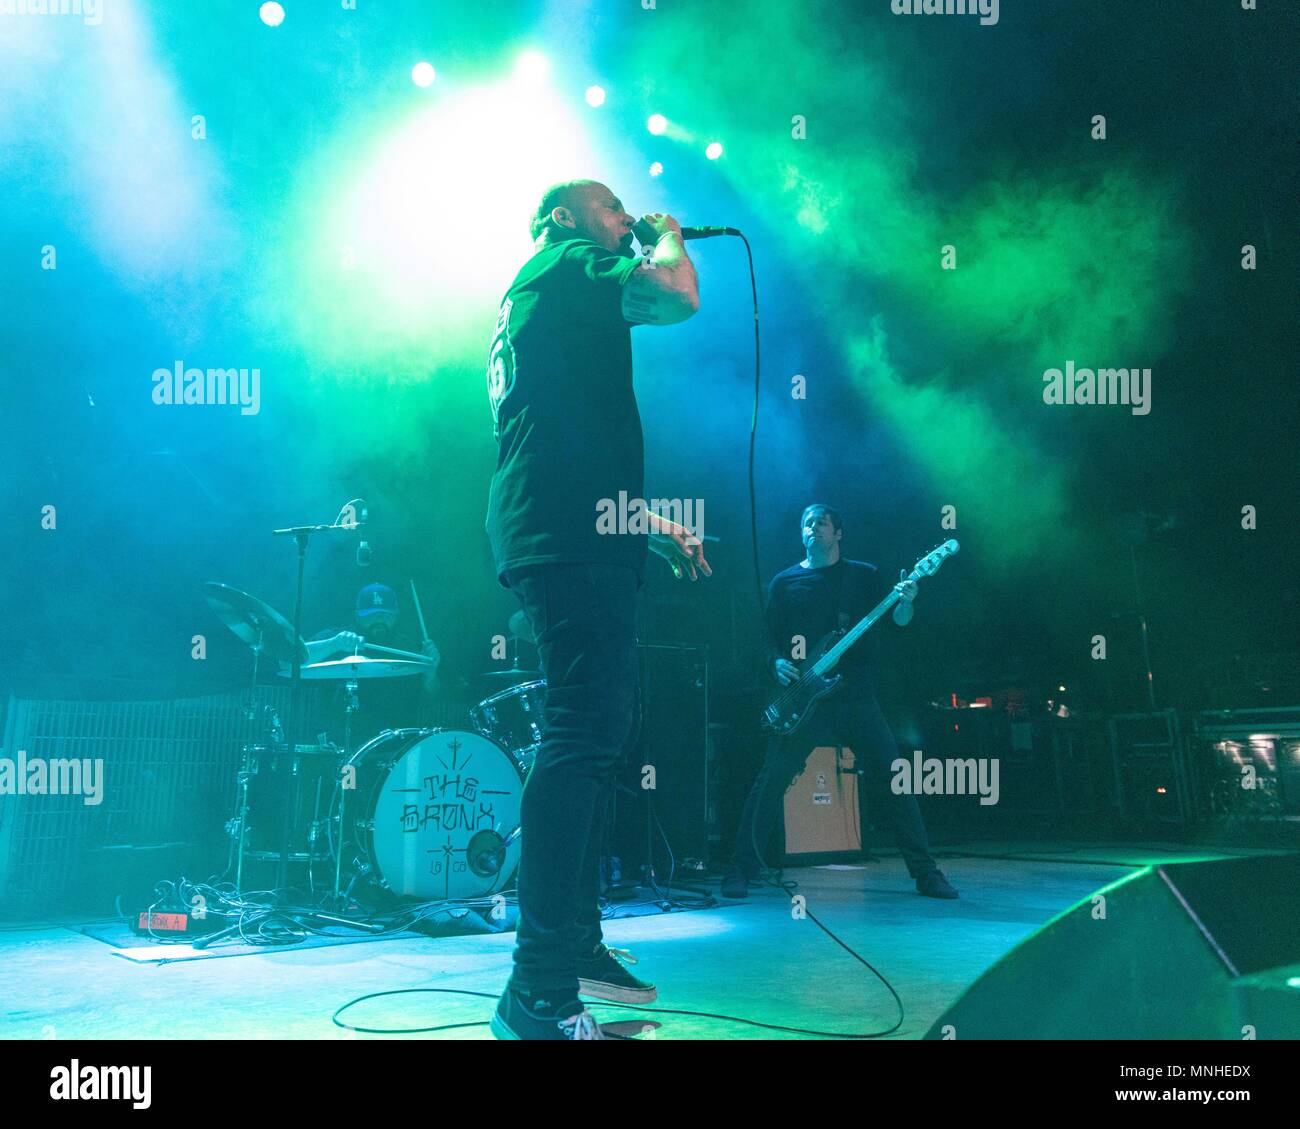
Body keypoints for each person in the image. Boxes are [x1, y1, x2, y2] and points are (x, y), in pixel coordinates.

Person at [485, 180, 712, 1040]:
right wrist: (666, 236)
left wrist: (645, 524)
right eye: (612, 205)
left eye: (630, 212)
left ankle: (572, 949)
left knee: (593, 735)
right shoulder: (570, 261)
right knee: (581, 734)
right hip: (566, 536)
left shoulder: (540, 291)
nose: (626, 216)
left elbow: (561, 434)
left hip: (570, 525)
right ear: (563, 218)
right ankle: (536, 992)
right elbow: (676, 297)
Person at [721, 504, 958, 900]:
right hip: (805, 698)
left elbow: (899, 622)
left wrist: (906, 601)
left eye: (822, 522)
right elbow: (765, 634)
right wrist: (775, 661)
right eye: (807, 524)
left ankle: (927, 873)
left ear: (838, 533)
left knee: (894, 779)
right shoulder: (785, 581)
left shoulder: (862, 576)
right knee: (771, 780)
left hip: (855, 696)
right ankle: (740, 869)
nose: (814, 528)